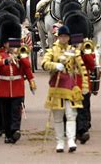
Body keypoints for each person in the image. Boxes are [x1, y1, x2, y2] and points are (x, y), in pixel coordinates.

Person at [42, 25, 88, 153]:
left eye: (65, 36)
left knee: (71, 115)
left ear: (68, 38)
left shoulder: (74, 51)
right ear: (58, 37)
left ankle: (71, 140)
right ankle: (60, 142)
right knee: (58, 117)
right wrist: (55, 65)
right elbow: (44, 64)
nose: (63, 39)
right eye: (61, 36)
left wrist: (84, 86)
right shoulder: (52, 51)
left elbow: (82, 69)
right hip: (56, 87)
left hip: (70, 86)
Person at [0, 19, 36, 144]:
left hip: (17, 87)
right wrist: (5, 61)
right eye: (9, 43)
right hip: (4, 88)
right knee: (6, 112)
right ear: (5, 44)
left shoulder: (21, 55)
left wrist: (31, 81)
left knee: (16, 110)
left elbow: (27, 67)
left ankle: (15, 130)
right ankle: (8, 134)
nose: (12, 45)